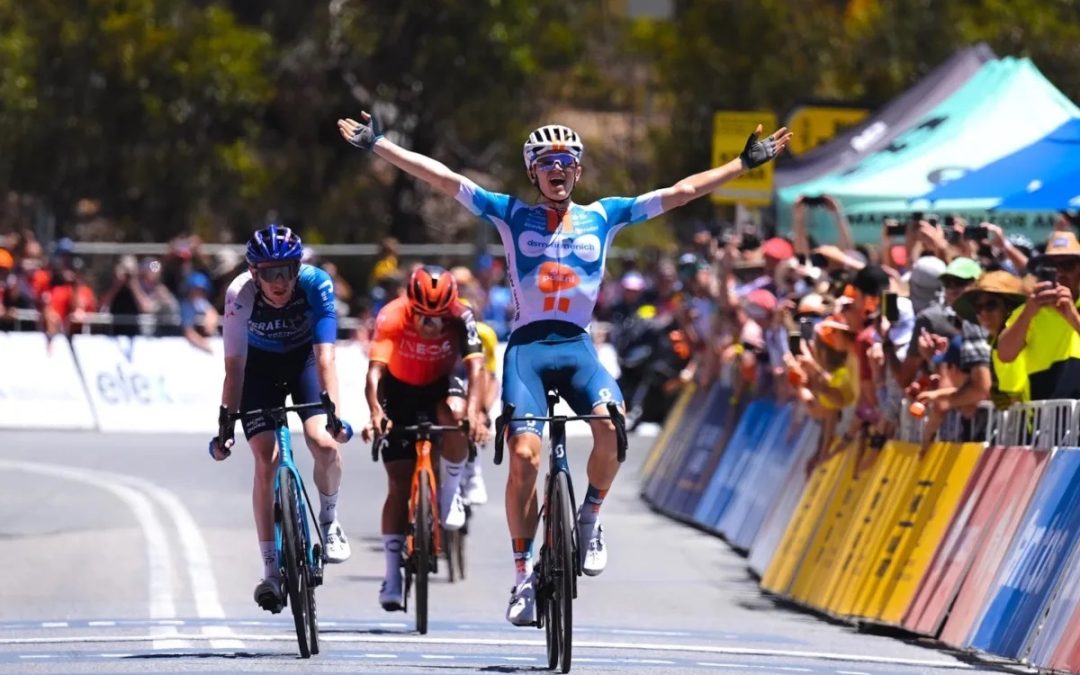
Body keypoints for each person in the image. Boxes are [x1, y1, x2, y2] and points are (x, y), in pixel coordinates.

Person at [338, 110, 791, 626]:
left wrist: (741, 164)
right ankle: (521, 576)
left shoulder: (605, 215)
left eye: (567, 161)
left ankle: (590, 516)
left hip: (576, 349)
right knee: (526, 458)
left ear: (578, 170)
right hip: (528, 351)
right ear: (533, 172)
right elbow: (442, 177)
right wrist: (379, 145)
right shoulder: (509, 214)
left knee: (611, 427)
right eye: (547, 162)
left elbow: (682, 190)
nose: (558, 169)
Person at [208, 224, 354, 613]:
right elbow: (234, 368)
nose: (279, 281)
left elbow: (326, 358)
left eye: (287, 270)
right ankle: (271, 571)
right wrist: (225, 427)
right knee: (265, 459)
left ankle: (330, 519)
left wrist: (335, 416)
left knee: (323, 443)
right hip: (257, 370)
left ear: (297, 269)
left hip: (304, 362)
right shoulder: (240, 294)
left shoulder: (316, 284)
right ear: (254, 272)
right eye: (269, 272)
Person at [361, 265, 489, 611]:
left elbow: (477, 367)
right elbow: (375, 373)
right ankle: (392, 575)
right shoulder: (391, 315)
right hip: (399, 389)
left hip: (439, 385)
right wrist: (376, 413)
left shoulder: (462, 315)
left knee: (456, 415)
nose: (431, 324)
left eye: (438, 317)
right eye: (422, 315)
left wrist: (477, 412)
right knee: (399, 485)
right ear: (410, 304)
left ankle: (449, 496)